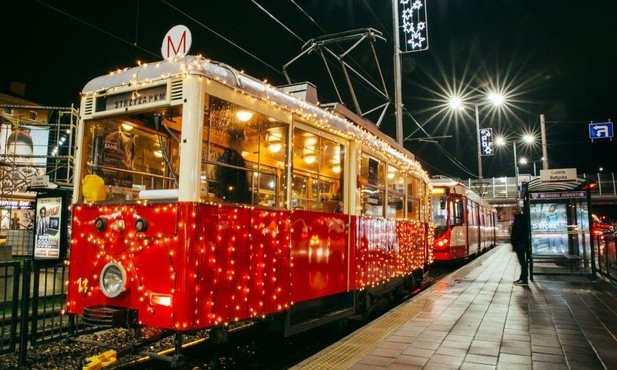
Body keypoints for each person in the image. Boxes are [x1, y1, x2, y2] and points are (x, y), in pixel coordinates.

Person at [215, 129, 251, 204]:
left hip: (225, 199)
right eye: (245, 136)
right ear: (240, 140)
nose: (247, 139)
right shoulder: (237, 159)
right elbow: (241, 185)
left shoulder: (224, 156)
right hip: (235, 201)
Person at [510, 211, 530, 286]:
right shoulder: (521, 219)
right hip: (521, 244)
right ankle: (522, 278)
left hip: (520, 245)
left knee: (522, 263)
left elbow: (516, 233)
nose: (513, 212)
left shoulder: (519, 220)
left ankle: (524, 279)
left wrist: (514, 242)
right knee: (522, 263)